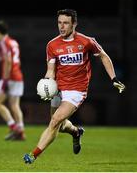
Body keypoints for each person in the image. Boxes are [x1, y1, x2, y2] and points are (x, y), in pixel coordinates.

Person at [23, 9, 125, 163]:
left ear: (74, 24)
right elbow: (50, 70)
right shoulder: (52, 45)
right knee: (61, 125)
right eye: (59, 23)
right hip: (59, 89)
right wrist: (46, 84)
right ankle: (76, 132)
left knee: (55, 120)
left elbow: (103, 56)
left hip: (77, 90)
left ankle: (33, 154)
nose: (61, 27)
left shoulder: (86, 41)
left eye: (65, 23)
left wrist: (114, 79)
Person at [0, 20, 25, 140]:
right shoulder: (14, 42)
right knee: (15, 105)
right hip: (18, 76)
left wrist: (5, 80)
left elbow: (8, 61)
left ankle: (13, 126)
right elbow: (18, 61)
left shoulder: (3, 42)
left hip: (9, 77)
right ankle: (20, 130)